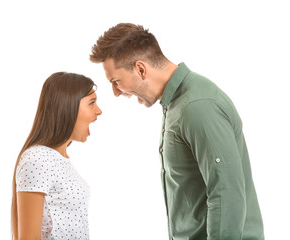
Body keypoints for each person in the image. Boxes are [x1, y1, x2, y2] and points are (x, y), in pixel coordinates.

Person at [90, 23, 264, 239]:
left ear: (140, 69)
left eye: (115, 81)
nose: (115, 92)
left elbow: (226, 194)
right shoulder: (177, 104)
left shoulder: (198, 106)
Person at [11, 72, 102, 240]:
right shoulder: (37, 158)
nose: (99, 111)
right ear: (67, 106)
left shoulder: (59, 160)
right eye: (92, 102)